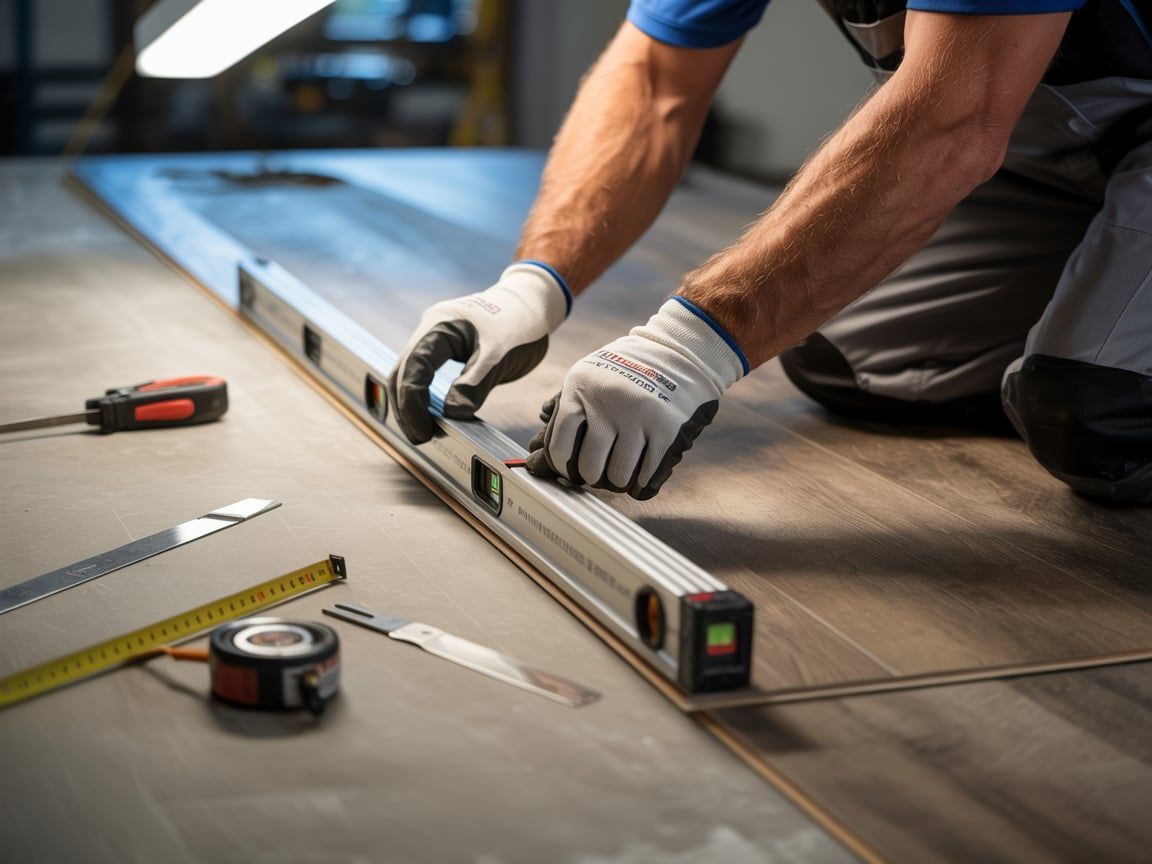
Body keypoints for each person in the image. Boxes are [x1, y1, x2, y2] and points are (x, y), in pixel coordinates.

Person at [390, 0, 1152, 504]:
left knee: (1094, 416)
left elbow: (954, 119)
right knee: (847, 359)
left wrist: (684, 346)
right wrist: (533, 287)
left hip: (1084, 143)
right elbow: (656, 82)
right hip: (1068, 163)